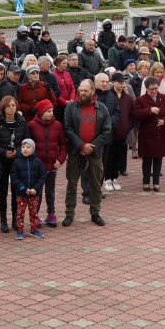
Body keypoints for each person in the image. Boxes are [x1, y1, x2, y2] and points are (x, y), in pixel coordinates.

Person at [63, 79, 111, 227]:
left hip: (95, 153)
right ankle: (69, 213)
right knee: (72, 184)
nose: (82, 93)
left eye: (85, 91)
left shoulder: (102, 108)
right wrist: (81, 145)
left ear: (92, 91)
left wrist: (93, 146)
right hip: (75, 152)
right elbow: (68, 129)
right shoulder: (71, 107)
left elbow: (106, 131)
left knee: (96, 184)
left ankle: (95, 213)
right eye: (80, 91)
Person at [28, 99, 66, 227]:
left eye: (52, 111)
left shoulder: (58, 125)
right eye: (48, 111)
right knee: (37, 191)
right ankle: (35, 215)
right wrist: (33, 161)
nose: (51, 113)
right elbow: (29, 145)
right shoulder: (32, 125)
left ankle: (51, 214)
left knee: (50, 191)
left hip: (52, 165)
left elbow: (63, 144)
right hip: (37, 166)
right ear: (41, 112)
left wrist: (60, 159)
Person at [0, 96, 25, 232]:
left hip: (17, 160)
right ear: (3, 108)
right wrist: (4, 152)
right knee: (2, 191)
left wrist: (17, 151)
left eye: (13, 105)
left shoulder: (21, 121)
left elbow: (26, 139)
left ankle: (15, 219)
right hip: (2, 160)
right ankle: (3, 219)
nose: (11, 108)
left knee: (16, 191)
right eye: (9, 106)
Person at [133, 77, 165, 191]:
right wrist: (149, 110)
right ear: (146, 88)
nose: (154, 91)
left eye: (156, 88)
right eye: (151, 89)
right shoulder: (140, 100)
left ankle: (156, 182)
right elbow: (136, 115)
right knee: (146, 159)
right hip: (147, 134)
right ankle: (146, 182)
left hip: (161, 134)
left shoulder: (164, 98)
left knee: (158, 158)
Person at [102, 71, 134, 192]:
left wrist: (128, 127)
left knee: (119, 156)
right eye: (119, 82)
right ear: (113, 82)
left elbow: (131, 114)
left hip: (123, 133)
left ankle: (115, 178)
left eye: (123, 82)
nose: (122, 84)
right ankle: (107, 179)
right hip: (110, 133)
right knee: (109, 156)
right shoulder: (108, 95)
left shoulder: (128, 97)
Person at [9, 138, 47, 239]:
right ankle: (20, 230)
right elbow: (14, 177)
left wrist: (36, 188)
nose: (25, 149)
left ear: (33, 149)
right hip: (21, 193)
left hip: (34, 193)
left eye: (28, 147)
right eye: (23, 147)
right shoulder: (17, 162)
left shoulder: (37, 162)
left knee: (34, 212)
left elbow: (42, 176)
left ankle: (34, 229)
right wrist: (23, 188)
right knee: (20, 212)